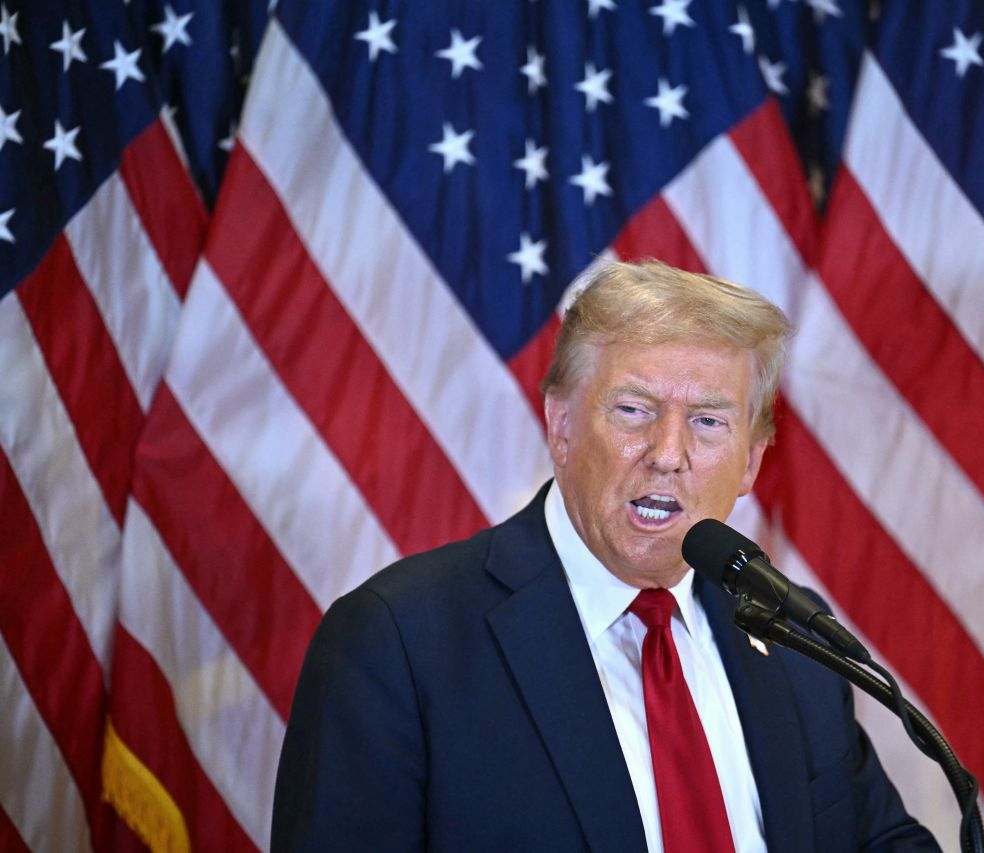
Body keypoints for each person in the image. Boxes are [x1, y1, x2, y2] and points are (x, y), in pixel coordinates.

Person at [271, 260, 938, 852]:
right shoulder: (401, 644)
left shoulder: (789, 636)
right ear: (561, 425)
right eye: (633, 409)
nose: (669, 452)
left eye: (709, 421)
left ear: (751, 461)